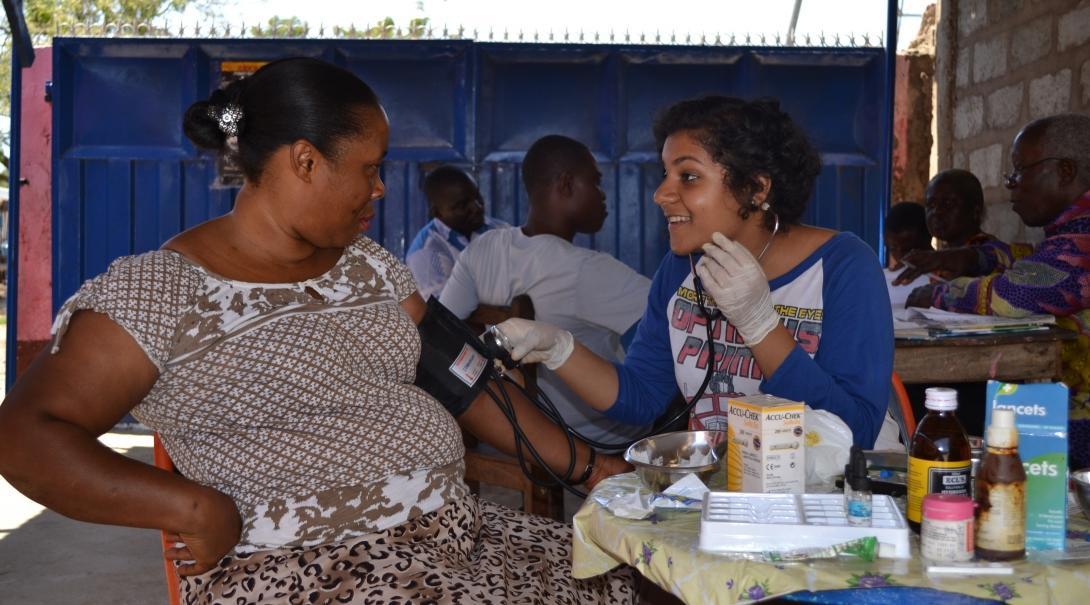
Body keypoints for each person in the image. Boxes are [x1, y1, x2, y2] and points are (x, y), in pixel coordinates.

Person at [0, 58, 636, 603]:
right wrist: (187, 506)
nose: (382, 188)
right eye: (369, 168)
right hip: (309, 571)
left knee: (642, 579)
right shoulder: (161, 293)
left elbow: (465, 382)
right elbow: (26, 437)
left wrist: (593, 469)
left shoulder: (370, 268)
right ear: (305, 161)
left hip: (457, 540)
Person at [494, 96, 898, 449]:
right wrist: (560, 350)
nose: (661, 194)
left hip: (837, 501)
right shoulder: (682, 269)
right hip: (730, 494)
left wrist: (760, 326)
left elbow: (855, 432)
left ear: (756, 189)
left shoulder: (844, 267)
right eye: (665, 174)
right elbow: (643, 396)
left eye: (687, 176)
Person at [439, 134, 652, 448]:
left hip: (517, 429)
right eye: (595, 183)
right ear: (565, 185)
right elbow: (681, 317)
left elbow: (444, 330)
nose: (603, 196)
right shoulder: (587, 270)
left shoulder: (483, 249)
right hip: (597, 437)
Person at [903, 113, 1090, 468]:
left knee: (948, 410)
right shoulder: (1071, 233)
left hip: (1080, 426)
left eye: (1019, 171)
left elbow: (1012, 295)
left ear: (1064, 171)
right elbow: (1032, 257)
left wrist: (937, 295)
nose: (1011, 185)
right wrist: (974, 257)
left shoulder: (1082, 242)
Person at [406, 165, 508, 299]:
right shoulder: (426, 252)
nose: (476, 207)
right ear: (437, 213)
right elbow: (446, 311)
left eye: (477, 197)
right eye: (462, 205)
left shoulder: (500, 229)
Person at [923, 169, 996, 249]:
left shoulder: (994, 254)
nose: (937, 211)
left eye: (948, 203)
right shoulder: (943, 253)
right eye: (931, 204)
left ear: (976, 211)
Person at [883, 202, 932, 308]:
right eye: (893, 248)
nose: (901, 256)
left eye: (908, 250)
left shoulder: (942, 279)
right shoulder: (881, 278)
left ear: (927, 240)